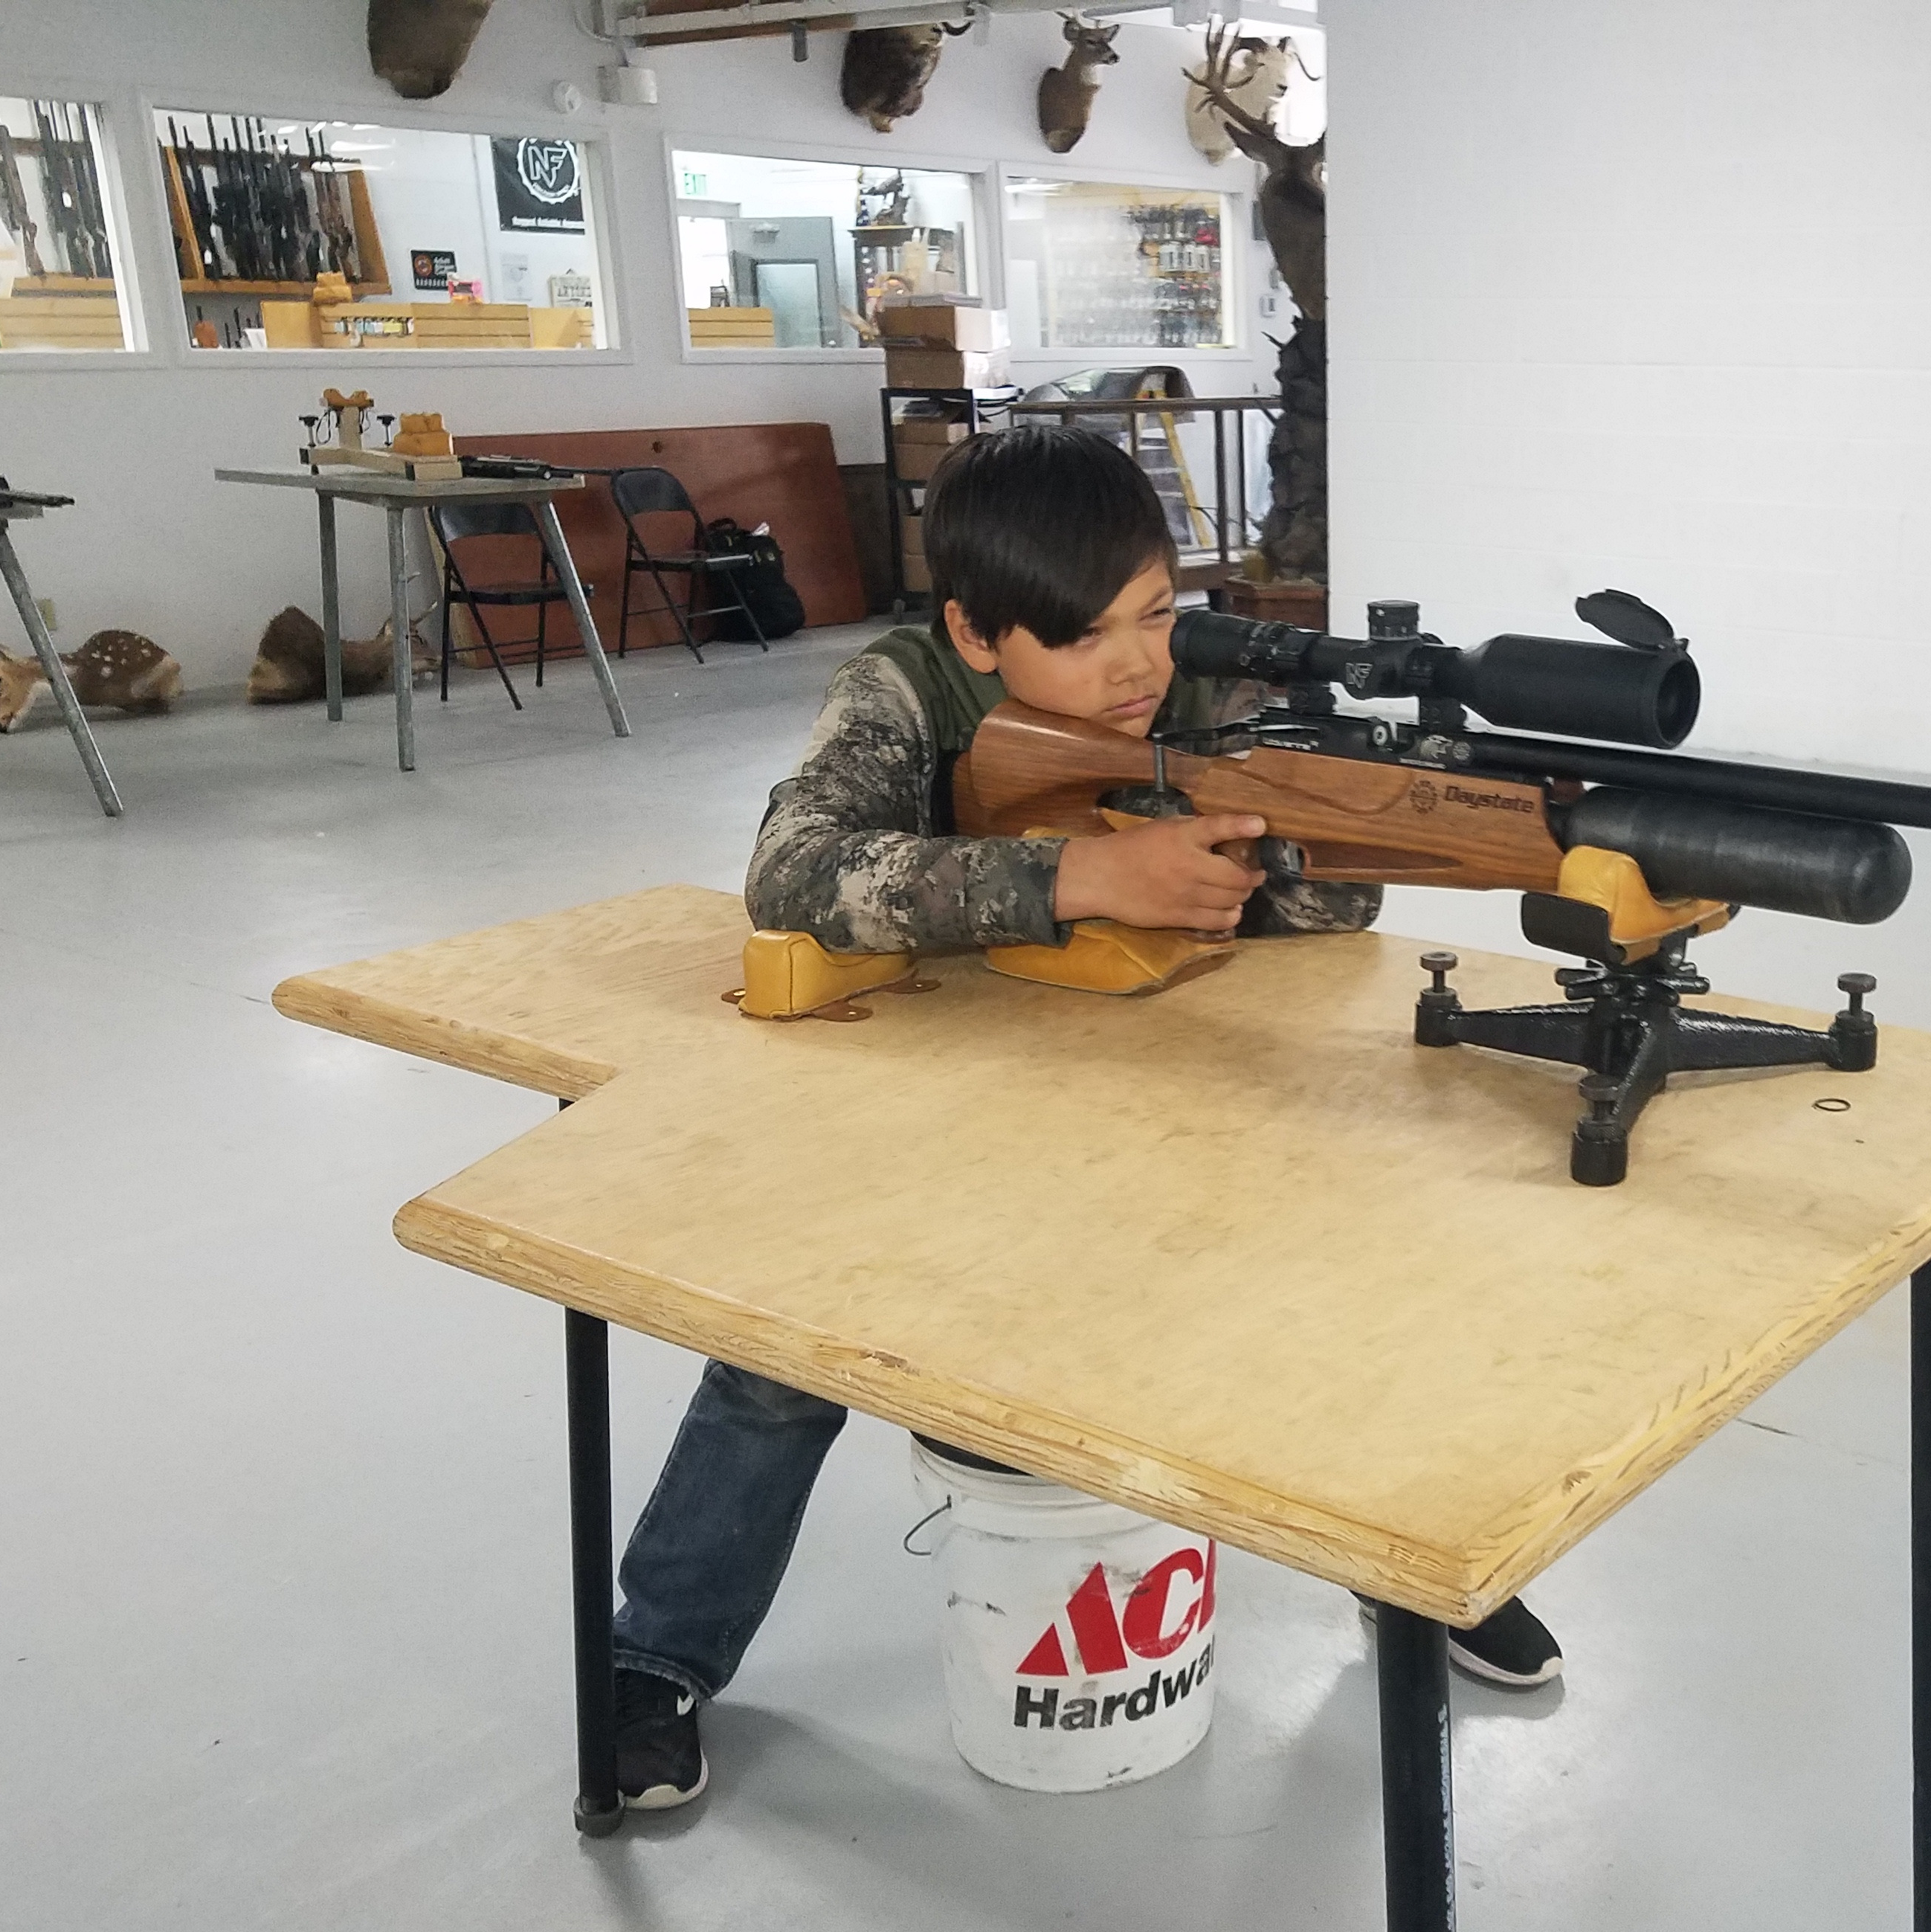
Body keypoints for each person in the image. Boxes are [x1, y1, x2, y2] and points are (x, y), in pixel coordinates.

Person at [607, 425, 1565, 1812]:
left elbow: (1323, 918)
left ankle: (1410, 1581)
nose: (1137, 668)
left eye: (1157, 617)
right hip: (914, 1101)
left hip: (1151, 1096)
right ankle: (658, 1656)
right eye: (1085, 636)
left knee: (1325, 1302)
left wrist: (1302, 844)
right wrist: (1078, 876)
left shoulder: (1206, 697)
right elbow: (791, 872)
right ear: (976, 633)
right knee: (782, 1355)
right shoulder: (903, 692)